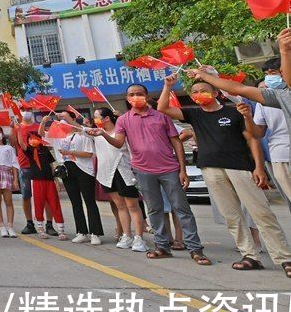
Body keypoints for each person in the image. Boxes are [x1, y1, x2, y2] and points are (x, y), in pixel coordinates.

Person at [167, 71, 291, 276]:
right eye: (195, 91)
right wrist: (167, 86)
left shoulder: (235, 111)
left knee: (261, 212)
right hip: (211, 168)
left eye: (204, 90)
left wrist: (258, 166)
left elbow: (253, 137)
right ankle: (249, 255)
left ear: (216, 92)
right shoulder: (195, 114)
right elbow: (163, 108)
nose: (199, 94)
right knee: (231, 215)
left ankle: (284, 257)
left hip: (240, 167)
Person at [109, 84, 210, 265]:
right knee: (154, 209)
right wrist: (101, 133)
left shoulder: (162, 116)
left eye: (139, 94)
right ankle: (162, 246)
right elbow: (118, 144)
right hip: (142, 170)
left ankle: (195, 249)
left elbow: (177, 143)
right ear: (127, 98)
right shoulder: (123, 120)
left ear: (147, 96)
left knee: (182, 209)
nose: (136, 97)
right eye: (132, 95)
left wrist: (182, 170)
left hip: (169, 169)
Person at [85, 108, 148, 252]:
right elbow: (77, 128)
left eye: (97, 117)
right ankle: (127, 235)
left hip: (123, 171)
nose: (95, 121)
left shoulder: (121, 131)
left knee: (132, 206)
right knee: (120, 206)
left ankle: (139, 238)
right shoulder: (96, 133)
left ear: (106, 118)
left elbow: (117, 143)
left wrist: (103, 134)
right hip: (107, 173)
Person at [45, 114, 104, 245]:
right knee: (75, 202)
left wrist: (70, 153)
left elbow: (89, 154)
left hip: (84, 170)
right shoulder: (59, 138)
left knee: (89, 202)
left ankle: (95, 233)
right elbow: (41, 135)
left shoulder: (82, 135)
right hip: (67, 171)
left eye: (65, 120)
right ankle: (81, 232)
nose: (62, 123)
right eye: (61, 121)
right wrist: (44, 121)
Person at [252, 58, 291, 206]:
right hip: (279, 155)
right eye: (266, 74)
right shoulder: (264, 100)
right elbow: (258, 132)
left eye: (273, 73)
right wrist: (248, 118)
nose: (269, 77)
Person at [16, 128, 66, 240]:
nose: (33, 140)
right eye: (30, 139)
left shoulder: (45, 150)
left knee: (54, 203)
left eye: (35, 138)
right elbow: (21, 144)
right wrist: (19, 130)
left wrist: (56, 181)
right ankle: (40, 228)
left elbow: (51, 165)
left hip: (49, 180)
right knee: (38, 204)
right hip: (36, 181)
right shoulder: (29, 150)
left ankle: (61, 230)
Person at [13, 112, 54, 235]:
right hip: (25, 165)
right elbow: (15, 144)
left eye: (28, 108)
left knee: (45, 196)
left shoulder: (38, 126)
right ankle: (29, 223)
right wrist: (13, 128)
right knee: (26, 196)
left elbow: (46, 142)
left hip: (41, 165)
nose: (26, 111)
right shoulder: (17, 127)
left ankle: (49, 224)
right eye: (23, 109)